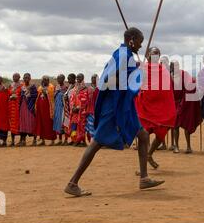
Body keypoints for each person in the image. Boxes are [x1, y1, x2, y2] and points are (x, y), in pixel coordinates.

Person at [64, 27, 164, 197]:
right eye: (139, 41)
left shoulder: (123, 54)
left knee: (143, 135)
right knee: (96, 143)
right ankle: (72, 183)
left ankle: (144, 178)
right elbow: (108, 80)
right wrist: (136, 74)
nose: (141, 46)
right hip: (114, 107)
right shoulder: (123, 56)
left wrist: (136, 72)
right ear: (131, 39)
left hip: (124, 105)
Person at [135, 47, 177, 168]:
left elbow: (169, 87)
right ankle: (143, 168)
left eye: (157, 54)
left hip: (161, 106)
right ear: (147, 55)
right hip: (146, 106)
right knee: (144, 134)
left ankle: (149, 154)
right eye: (153, 54)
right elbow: (136, 84)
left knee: (163, 129)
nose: (155, 56)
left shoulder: (163, 69)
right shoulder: (142, 68)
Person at [171, 60, 202, 154]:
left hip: (184, 102)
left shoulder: (184, 74)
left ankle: (188, 146)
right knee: (175, 125)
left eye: (176, 65)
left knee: (186, 124)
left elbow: (190, 85)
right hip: (173, 103)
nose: (174, 67)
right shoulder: (168, 76)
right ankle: (176, 146)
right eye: (173, 66)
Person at [35, 76, 56, 146]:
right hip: (41, 109)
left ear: (48, 80)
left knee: (50, 123)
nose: (44, 81)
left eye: (46, 80)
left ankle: (52, 140)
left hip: (49, 109)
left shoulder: (51, 87)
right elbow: (38, 96)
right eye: (43, 80)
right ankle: (43, 140)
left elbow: (52, 96)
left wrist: (46, 93)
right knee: (42, 124)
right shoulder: (40, 87)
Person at [18, 73, 38, 147]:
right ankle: (23, 140)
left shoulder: (32, 87)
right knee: (23, 123)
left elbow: (35, 95)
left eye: (27, 78)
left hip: (30, 107)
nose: (26, 79)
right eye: (24, 78)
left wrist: (29, 95)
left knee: (32, 122)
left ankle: (34, 140)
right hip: (23, 107)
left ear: (30, 78)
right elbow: (21, 95)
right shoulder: (22, 87)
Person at [71, 73, 90, 147]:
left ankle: (83, 141)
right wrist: (73, 107)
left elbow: (85, 100)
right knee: (74, 125)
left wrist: (79, 107)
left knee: (82, 126)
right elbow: (72, 98)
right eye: (77, 77)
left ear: (83, 78)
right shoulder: (75, 88)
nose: (77, 79)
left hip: (82, 111)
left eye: (79, 77)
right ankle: (76, 140)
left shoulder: (85, 88)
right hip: (75, 111)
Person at [8, 73, 22, 147]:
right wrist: (10, 97)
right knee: (12, 124)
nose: (14, 78)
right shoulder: (11, 85)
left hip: (18, 107)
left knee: (19, 123)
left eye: (16, 76)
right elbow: (8, 94)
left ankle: (20, 140)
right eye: (13, 76)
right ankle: (12, 141)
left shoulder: (21, 85)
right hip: (11, 107)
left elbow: (22, 96)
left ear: (19, 77)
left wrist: (17, 98)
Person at [53, 74, 67, 145]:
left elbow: (66, 97)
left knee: (64, 123)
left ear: (63, 79)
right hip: (57, 107)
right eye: (58, 79)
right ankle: (60, 140)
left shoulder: (66, 87)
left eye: (60, 78)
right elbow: (54, 96)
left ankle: (66, 140)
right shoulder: (56, 87)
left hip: (63, 107)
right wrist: (57, 92)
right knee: (58, 122)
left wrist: (61, 92)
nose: (58, 80)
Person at [63, 73, 77, 145]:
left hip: (74, 109)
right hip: (68, 108)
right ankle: (72, 139)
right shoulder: (70, 87)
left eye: (69, 78)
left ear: (74, 79)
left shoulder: (76, 87)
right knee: (69, 124)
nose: (68, 80)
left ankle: (76, 140)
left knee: (74, 125)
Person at [86, 74, 99, 142]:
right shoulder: (88, 88)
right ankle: (92, 140)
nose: (93, 79)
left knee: (97, 124)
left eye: (94, 78)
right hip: (90, 109)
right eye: (92, 77)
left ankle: (97, 140)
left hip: (98, 109)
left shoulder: (100, 88)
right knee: (90, 125)